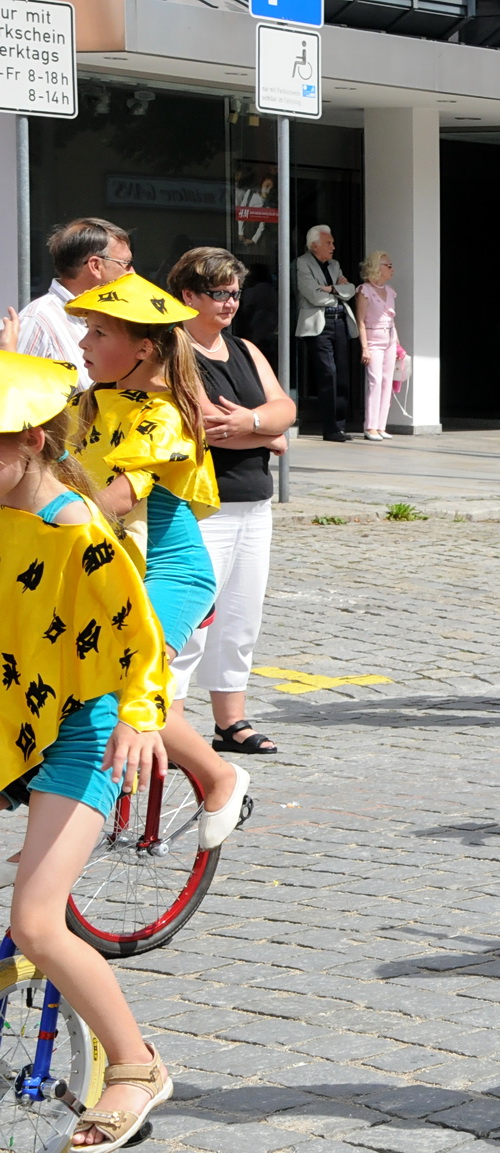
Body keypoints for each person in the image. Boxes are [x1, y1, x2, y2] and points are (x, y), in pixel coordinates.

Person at [0, 353, 177, 1151]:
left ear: (31, 440)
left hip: (80, 730)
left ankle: (135, 1063)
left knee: (37, 921)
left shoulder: (80, 531)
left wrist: (141, 720)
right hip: (12, 716)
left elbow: (144, 646)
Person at [68, 273, 250, 846]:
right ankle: (65, 811)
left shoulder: (163, 412)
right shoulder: (87, 403)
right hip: (109, 567)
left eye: (98, 333)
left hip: (169, 572)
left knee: (132, 682)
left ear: (144, 347)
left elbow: (120, 497)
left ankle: (221, 776)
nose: (83, 344)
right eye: (86, 331)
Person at [166, 248, 297, 758]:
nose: (230, 302)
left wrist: (254, 425)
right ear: (188, 295)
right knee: (193, 619)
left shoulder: (243, 348)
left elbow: (284, 409)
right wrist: (264, 430)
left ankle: (231, 720)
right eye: (218, 293)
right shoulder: (173, 349)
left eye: (235, 292)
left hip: (253, 502)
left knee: (241, 617)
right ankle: (170, 723)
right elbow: (203, 425)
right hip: (203, 504)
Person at [17, 218, 133, 390]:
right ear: (95, 266)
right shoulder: (37, 320)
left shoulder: (116, 314)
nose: (132, 273)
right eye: (126, 264)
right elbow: (10, 399)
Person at [293, 225, 358, 443]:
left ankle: (339, 426)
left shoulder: (335, 265)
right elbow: (314, 296)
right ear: (314, 246)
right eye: (328, 243)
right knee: (327, 374)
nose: (333, 247)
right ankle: (329, 428)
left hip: (340, 322)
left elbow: (351, 291)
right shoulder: (302, 263)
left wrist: (330, 289)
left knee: (342, 375)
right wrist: (337, 291)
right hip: (319, 326)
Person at [357, 251, 399, 441]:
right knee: (375, 382)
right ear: (378, 268)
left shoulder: (389, 291)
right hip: (373, 340)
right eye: (388, 266)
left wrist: (397, 344)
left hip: (389, 338)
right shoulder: (365, 290)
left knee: (387, 382)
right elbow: (361, 321)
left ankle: (381, 425)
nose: (392, 269)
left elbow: (392, 320)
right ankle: (370, 426)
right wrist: (364, 347)